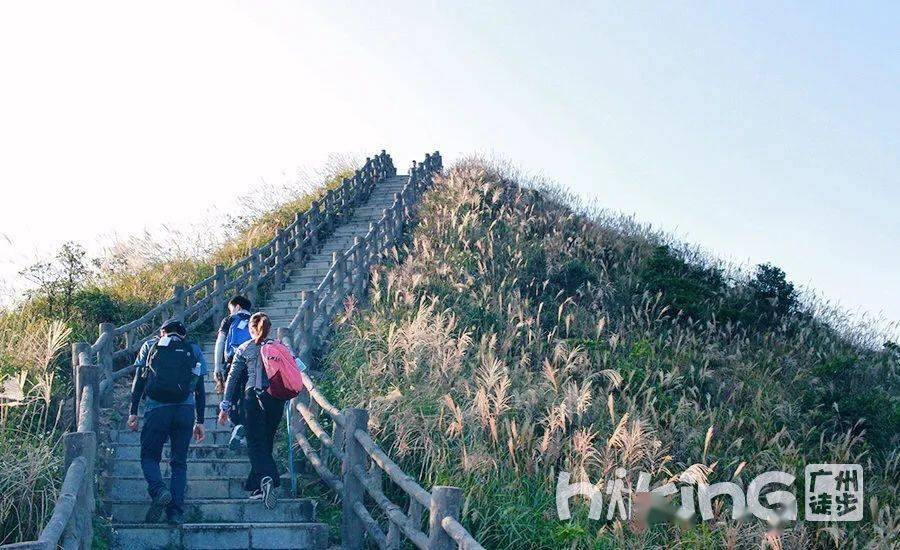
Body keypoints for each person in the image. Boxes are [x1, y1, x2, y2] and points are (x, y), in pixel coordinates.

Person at [127, 319, 207, 524]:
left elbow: (139, 381)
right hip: (185, 410)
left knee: (149, 457)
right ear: (183, 334)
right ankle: (176, 513)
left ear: (162, 332)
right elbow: (199, 388)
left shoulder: (150, 346)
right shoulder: (193, 349)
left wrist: (133, 411)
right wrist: (200, 421)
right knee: (179, 462)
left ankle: (159, 490)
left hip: (157, 409)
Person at [218, 312, 284, 509]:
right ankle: (257, 487)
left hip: (253, 399)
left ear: (251, 329)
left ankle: (267, 477)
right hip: (276, 400)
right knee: (267, 441)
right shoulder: (280, 347)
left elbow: (232, 379)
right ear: (269, 328)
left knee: (255, 443)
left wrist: (225, 405)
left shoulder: (244, 348)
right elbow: (297, 368)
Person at [213, 295, 253, 451]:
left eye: (231, 309)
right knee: (247, 397)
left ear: (236, 307)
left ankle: (237, 425)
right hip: (253, 365)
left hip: (233, 363)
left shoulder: (229, 320)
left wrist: (217, 366)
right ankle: (244, 429)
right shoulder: (256, 320)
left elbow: (220, 342)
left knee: (231, 396)